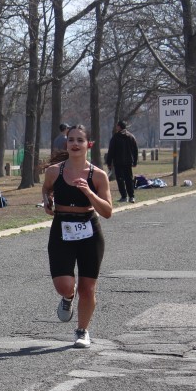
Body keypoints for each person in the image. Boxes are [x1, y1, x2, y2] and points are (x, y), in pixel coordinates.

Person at [41, 124, 113, 348]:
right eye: (71, 139)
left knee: (87, 288)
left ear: (88, 145)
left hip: (89, 230)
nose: (75, 144)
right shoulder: (54, 171)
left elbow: (107, 211)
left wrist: (89, 192)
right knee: (64, 285)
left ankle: (82, 331)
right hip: (62, 228)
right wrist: (47, 201)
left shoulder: (98, 175)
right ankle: (67, 297)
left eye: (80, 140)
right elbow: (46, 189)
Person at [104, 120, 139, 203]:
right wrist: (135, 161)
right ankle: (131, 196)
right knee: (129, 179)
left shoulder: (115, 137)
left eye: (117, 126)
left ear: (119, 127)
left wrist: (109, 162)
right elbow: (135, 150)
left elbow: (111, 150)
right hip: (128, 162)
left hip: (118, 162)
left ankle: (124, 196)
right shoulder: (131, 136)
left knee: (120, 179)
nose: (116, 127)